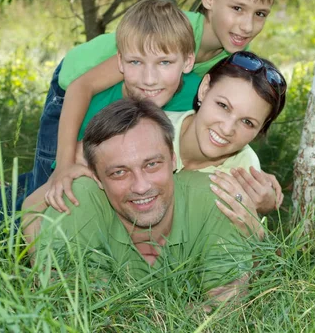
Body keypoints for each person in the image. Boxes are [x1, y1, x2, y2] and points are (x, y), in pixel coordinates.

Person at [37, 0, 279, 207]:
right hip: (77, 87)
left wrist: (256, 182)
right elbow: (83, 86)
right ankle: (9, 207)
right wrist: (62, 165)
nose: (247, 25)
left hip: (133, 96)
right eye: (237, 8)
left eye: (260, 14)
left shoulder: (231, 63)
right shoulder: (174, 31)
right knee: (53, 179)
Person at [24, 51, 287, 245]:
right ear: (205, 89)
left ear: (261, 130)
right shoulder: (146, 131)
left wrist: (257, 222)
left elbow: (250, 260)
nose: (228, 128)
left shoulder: (245, 171)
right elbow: (33, 205)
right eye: (223, 106)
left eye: (248, 122)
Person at [0, 0, 198, 223]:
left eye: (164, 63)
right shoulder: (98, 111)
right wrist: (65, 167)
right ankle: (1, 203)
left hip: (135, 174)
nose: (149, 79)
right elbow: (71, 168)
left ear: (187, 62)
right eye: (135, 62)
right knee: (49, 196)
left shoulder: (200, 92)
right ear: (120, 62)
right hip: (90, 158)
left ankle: (12, 188)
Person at [34, 99, 251, 308]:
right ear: (97, 178)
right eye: (119, 172)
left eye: (152, 165)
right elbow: (65, 301)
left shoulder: (216, 198)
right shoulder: (77, 198)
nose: (141, 186)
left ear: (173, 159)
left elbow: (227, 303)